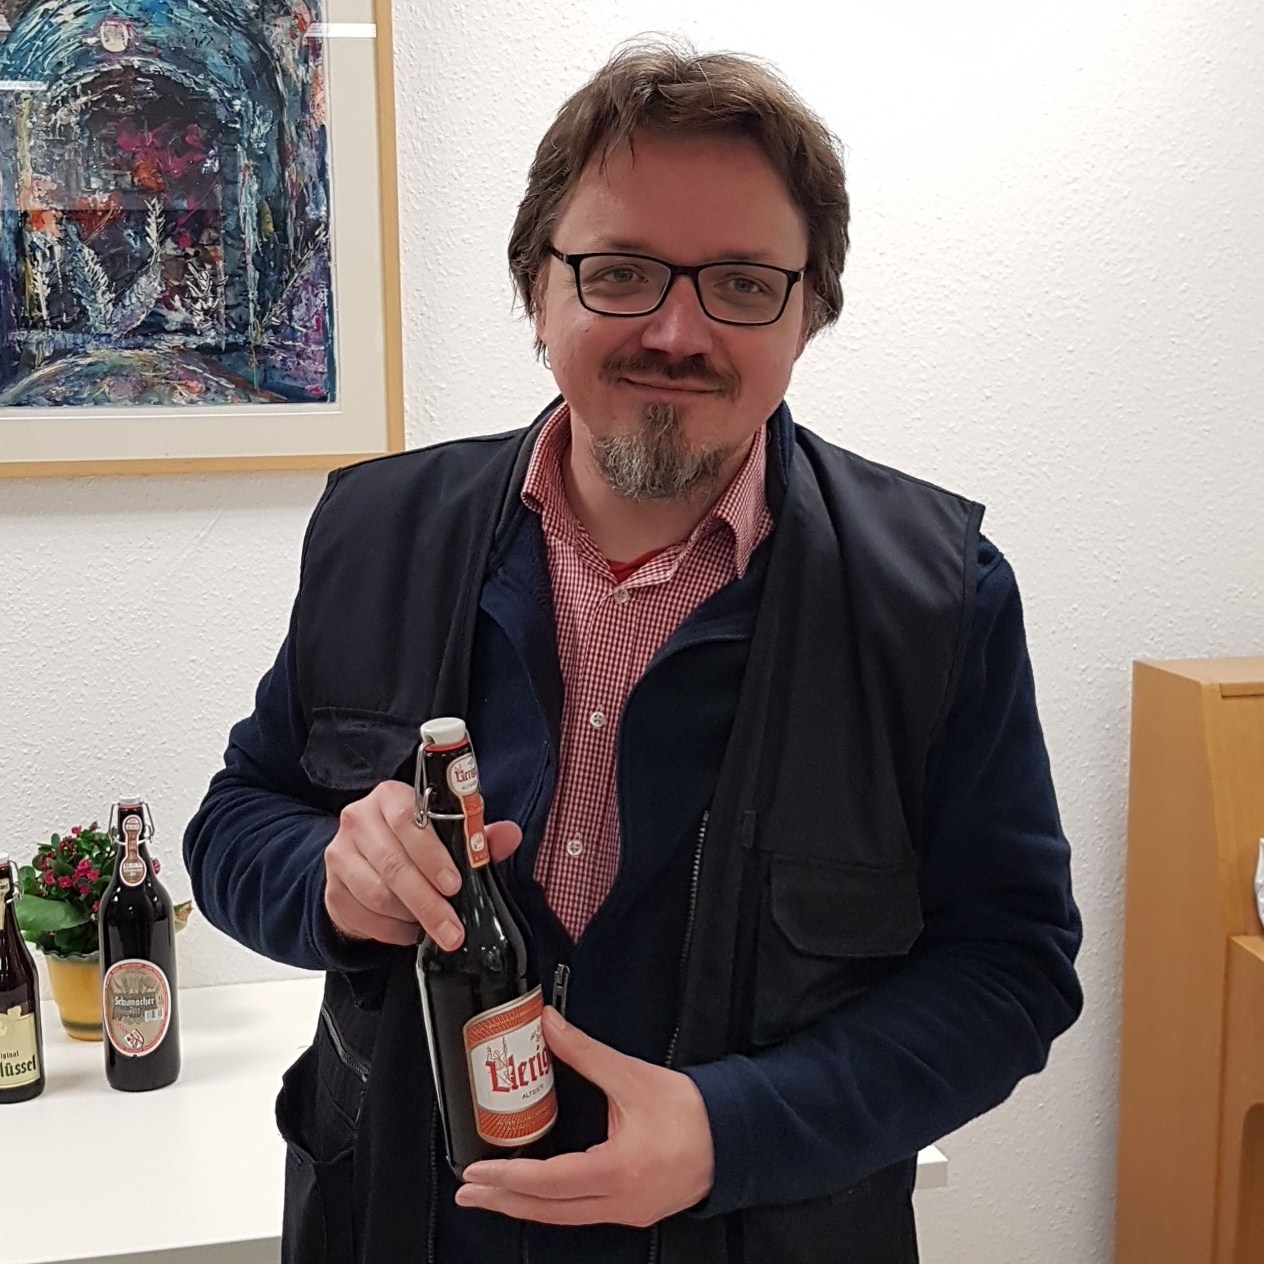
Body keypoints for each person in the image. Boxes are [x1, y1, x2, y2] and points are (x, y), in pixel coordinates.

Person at [184, 38, 1082, 1264]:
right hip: (395, 1223)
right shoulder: (374, 532)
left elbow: (1010, 969)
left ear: (809, 311)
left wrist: (731, 1130)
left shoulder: (938, 600)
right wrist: (332, 886)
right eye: (618, 272)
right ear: (536, 289)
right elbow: (236, 821)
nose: (674, 330)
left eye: (743, 283)